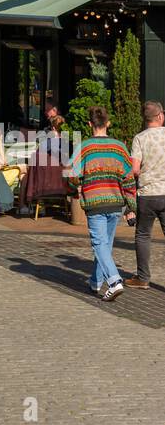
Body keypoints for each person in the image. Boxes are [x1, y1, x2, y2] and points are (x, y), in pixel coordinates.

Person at [67, 106, 136, 301]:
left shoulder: (85, 147)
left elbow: (71, 174)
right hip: (116, 202)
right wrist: (131, 206)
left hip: (95, 202)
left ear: (90, 124)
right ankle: (96, 281)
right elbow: (129, 178)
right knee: (105, 244)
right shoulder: (119, 148)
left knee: (99, 244)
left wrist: (78, 184)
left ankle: (114, 281)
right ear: (108, 123)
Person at [126, 100, 165, 289]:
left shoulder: (139, 138)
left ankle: (142, 278)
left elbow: (134, 169)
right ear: (160, 116)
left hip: (147, 194)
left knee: (143, 235)